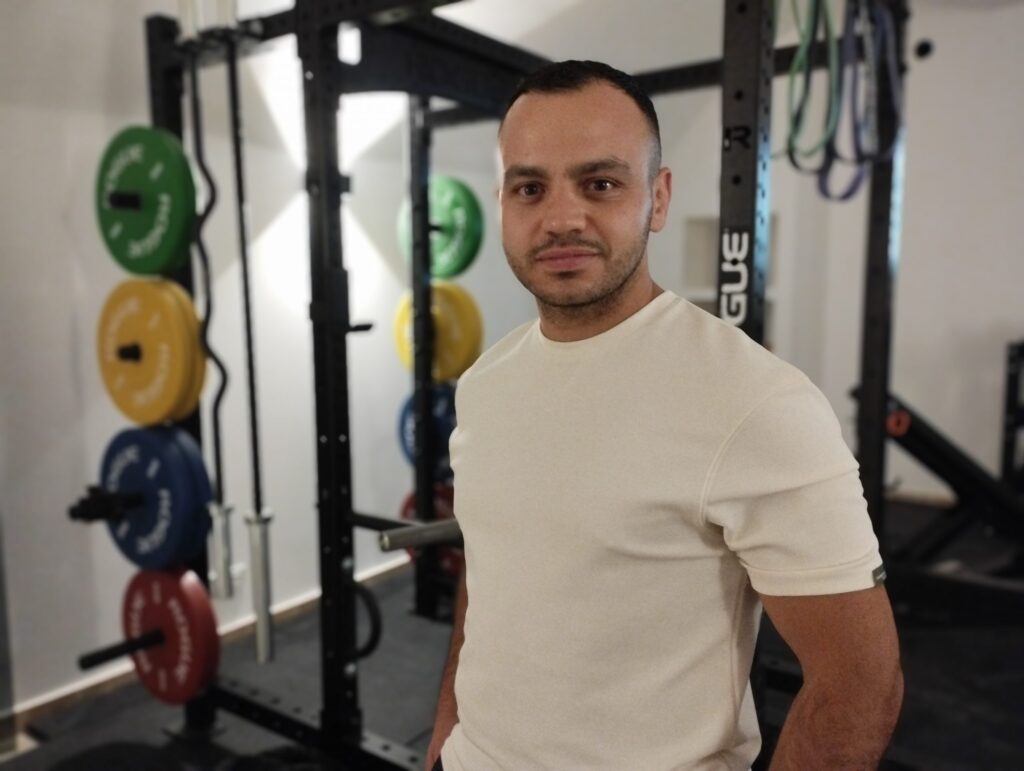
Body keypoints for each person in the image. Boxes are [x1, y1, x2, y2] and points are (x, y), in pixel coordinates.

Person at [426, 60, 903, 771]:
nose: (561, 218)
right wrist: (445, 737)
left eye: (600, 183)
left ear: (658, 197)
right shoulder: (484, 384)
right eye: (530, 188)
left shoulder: (756, 402)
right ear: (502, 203)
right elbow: (490, 575)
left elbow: (861, 683)